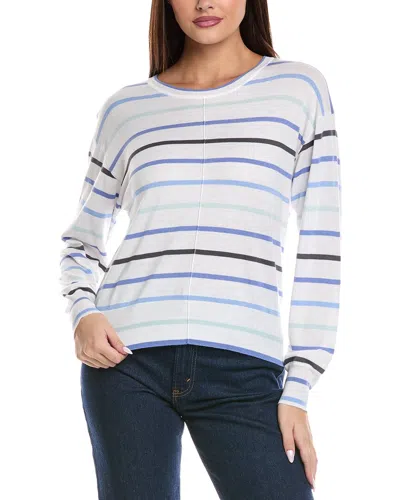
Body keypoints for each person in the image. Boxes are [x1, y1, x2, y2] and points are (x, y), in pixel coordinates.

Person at [59, 0, 341, 498]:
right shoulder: (127, 110)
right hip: (126, 361)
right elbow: (81, 240)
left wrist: (298, 386)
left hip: (245, 366)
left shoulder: (298, 90)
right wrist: (83, 312)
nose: (204, 2)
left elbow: (322, 241)